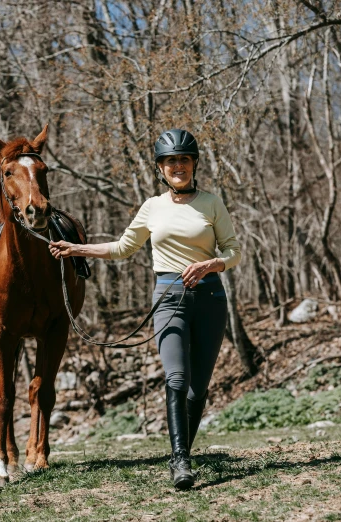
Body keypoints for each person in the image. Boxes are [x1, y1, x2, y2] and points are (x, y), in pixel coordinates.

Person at [49, 129, 241, 490]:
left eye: (184, 159)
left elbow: (234, 252)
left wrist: (210, 264)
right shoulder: (152, 207)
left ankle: (183, 449)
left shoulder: (212, 203)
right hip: (169, 296)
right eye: (171, 161)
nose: (178, 166)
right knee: (176, 378)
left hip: (211, 298)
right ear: (161, 168)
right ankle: (180, 460)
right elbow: (123, 247)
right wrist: (76, 250)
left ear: (194, 163)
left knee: (197, 390)